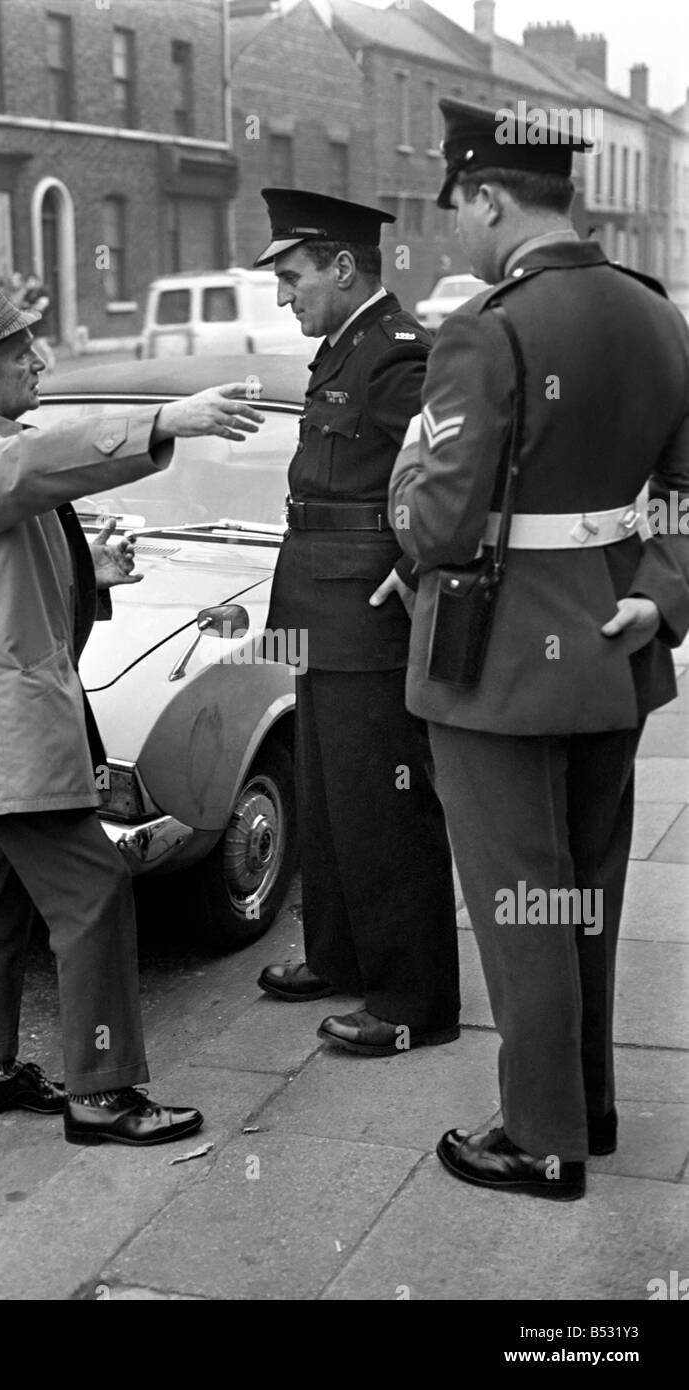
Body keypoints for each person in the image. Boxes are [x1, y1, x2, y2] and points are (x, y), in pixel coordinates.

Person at [389, 99, 689, 1199]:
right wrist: (660, 596)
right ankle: (587, 1106)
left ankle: (540, 1137)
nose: (454, 236)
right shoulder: (656, 316)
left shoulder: (485, 327)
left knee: (521, 904)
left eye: (454, 211)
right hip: (611, 645)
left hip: (499, 659)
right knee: (583, 899)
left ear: (487, 197)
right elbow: (684, 495)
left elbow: (439, 525)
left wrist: (401, 498)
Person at [0, 281, 263, 1146]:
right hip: (8, 728)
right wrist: (160, 424)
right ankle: (101, 1093)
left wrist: (88, 570)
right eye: (22, 353)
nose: (41, 361)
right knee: (96, 889)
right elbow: (18, 478)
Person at [253, 188, 460, 1055]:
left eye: (293, 276)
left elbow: (452, 472)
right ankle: (337, 957)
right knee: (330, 798)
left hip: (369, 615)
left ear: (343, 268)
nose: (282, 295)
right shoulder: (343, 347)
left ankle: (413, 1002)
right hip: (318, 604)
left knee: (386, 806)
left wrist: (415, 564)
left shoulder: (398, 355)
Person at [22, 271, 56, 372]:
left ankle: (51, 361)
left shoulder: (43, 292)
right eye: (28, 281)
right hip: (32, 323)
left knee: (41, 344)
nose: (29, 283)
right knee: (32, 345)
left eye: (31, 281)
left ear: (37, 282)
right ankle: (38, 365)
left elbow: (41, 306)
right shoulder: (28, 294)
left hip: (42, 322)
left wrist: (30, 307)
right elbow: (24, 306)